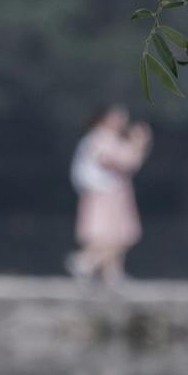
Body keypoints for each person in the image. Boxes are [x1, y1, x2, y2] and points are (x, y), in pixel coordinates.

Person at [67, 106, 152, 285]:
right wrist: (138, 144)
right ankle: (84, 262)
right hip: (106, 193)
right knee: (112, 236)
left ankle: (111, 275)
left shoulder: (105, 138)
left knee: (115, 235)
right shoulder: (101, 138)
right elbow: (124, 161)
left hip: (112, 193)